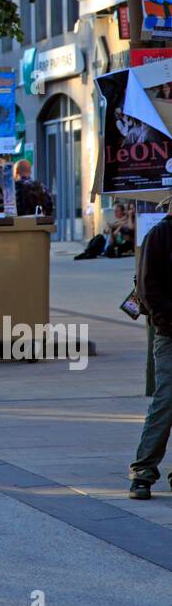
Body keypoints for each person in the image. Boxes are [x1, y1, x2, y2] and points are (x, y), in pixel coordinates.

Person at [130, 206, 172, 497]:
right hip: (169, 332)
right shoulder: (160, 235)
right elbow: (147, 286)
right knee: (166, 399)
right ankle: (143, 470)